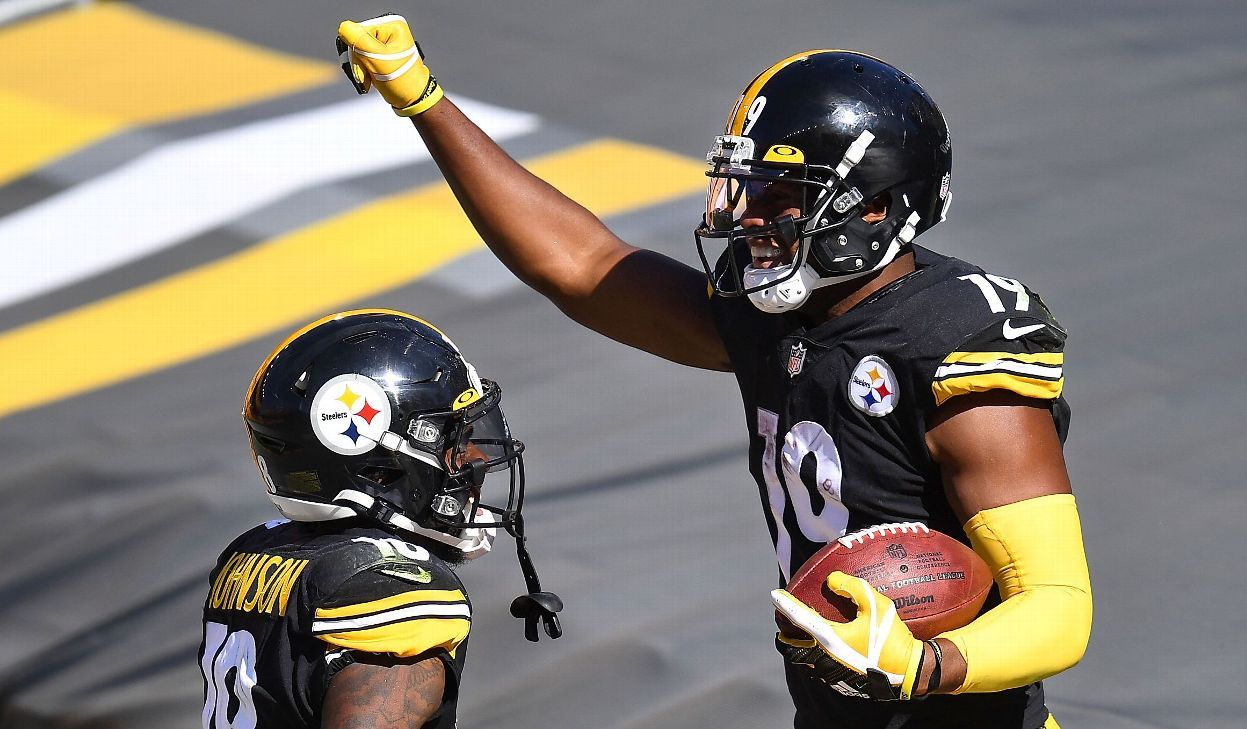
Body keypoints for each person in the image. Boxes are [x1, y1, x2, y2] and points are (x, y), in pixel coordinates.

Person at [335, 16, 1092, 728]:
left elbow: (1058, 604)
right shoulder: (779, 312)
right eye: (748, 188)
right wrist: (427, 104)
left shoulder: (953, 337)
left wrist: (925, 664)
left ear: (875, 210)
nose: (749, 217)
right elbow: (583, 266)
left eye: (784, 196)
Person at [200, 309, 562, 729]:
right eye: (454, 439)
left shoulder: (257, 551)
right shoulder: (389, 584)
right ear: (380, 464)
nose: (475, 458)